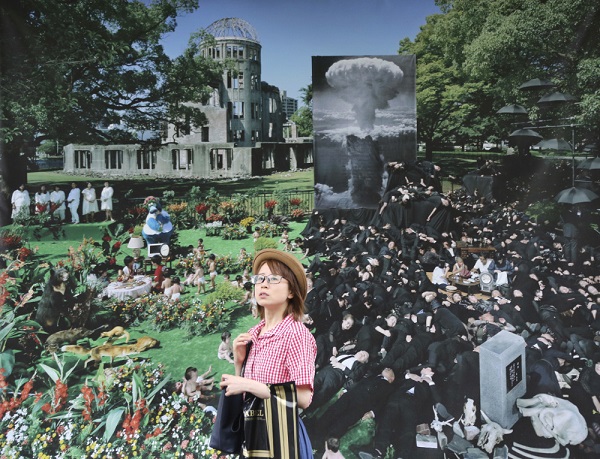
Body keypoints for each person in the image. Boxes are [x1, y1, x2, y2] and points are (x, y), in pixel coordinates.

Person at [219, 249, 316, 456]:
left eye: (273, 278)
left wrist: (249, 384)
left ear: (291, 292)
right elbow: (247, 395)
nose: (263, 283)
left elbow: (304, 398)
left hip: (281, 438)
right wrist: (239, 363)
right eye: (260, 278)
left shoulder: (296, 334)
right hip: (253, 434)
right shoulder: (253, 334)